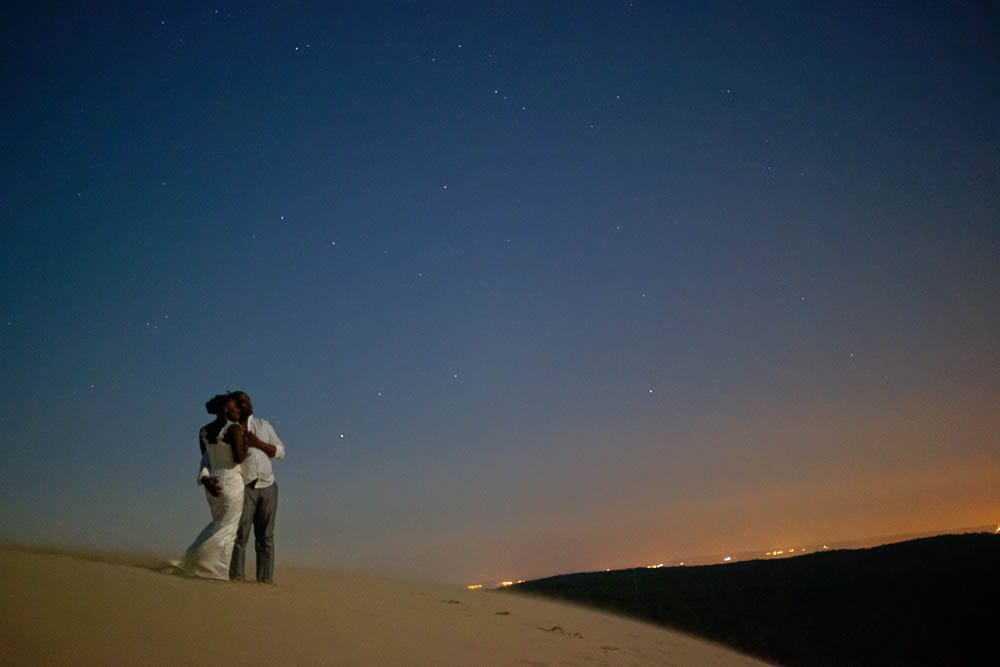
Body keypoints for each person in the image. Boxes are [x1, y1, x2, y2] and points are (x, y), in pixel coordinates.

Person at [182, 394, 248, 580]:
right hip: (231, 483)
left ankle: (196, 560)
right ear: (226, 408)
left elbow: (206, 459)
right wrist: (245, 442)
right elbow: (239, 458)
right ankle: (211, 570)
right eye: (235, 407)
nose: (238, 410)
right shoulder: (234, 428)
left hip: (213, 483)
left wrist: (204, 478)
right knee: (228, 530)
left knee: (219, 524)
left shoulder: (204, 431)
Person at [227, 390, 285, 584]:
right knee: (241, 534)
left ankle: (265, 581)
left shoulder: (263, 425)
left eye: (247, 400)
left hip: (268, 486)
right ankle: (236, 577)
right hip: (245, 487)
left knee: (266, 537)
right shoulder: (230, 430)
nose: (246, 404)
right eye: (241, 402)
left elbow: (280, 452)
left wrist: (258, 443)